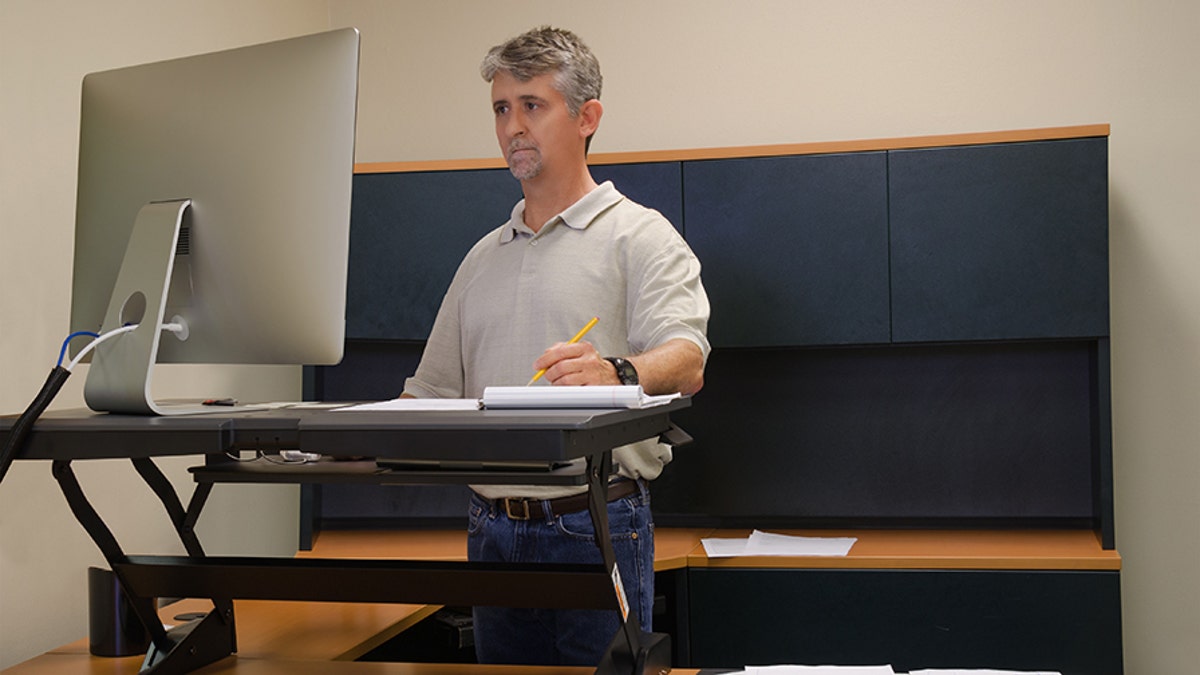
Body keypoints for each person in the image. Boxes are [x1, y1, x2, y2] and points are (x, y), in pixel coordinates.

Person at [402, 26, 710, 666]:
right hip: (490, 529)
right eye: (500, 108)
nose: (513, 126)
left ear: (586, 117)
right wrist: (342, 440)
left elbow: (688, 361)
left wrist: (616, 371)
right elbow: (426, 395)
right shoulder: (480, 258)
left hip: (592, 522)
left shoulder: (642, 237)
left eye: (531, 105)